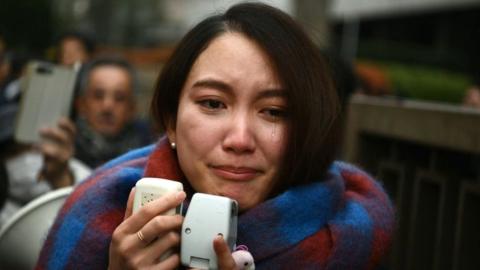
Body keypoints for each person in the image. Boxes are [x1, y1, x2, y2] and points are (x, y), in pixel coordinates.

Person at [36, 3, 394, 269]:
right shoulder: (100, 211)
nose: (240, 139)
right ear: (171, 120)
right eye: (212, 103)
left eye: (273, 111)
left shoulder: (358, 234)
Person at [72, 56, 153, 168]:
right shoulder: (64, 146)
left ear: (132, 108)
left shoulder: (149, 153)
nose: (107, 106)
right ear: (81, 104)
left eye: (119, 97)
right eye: (98, 95)